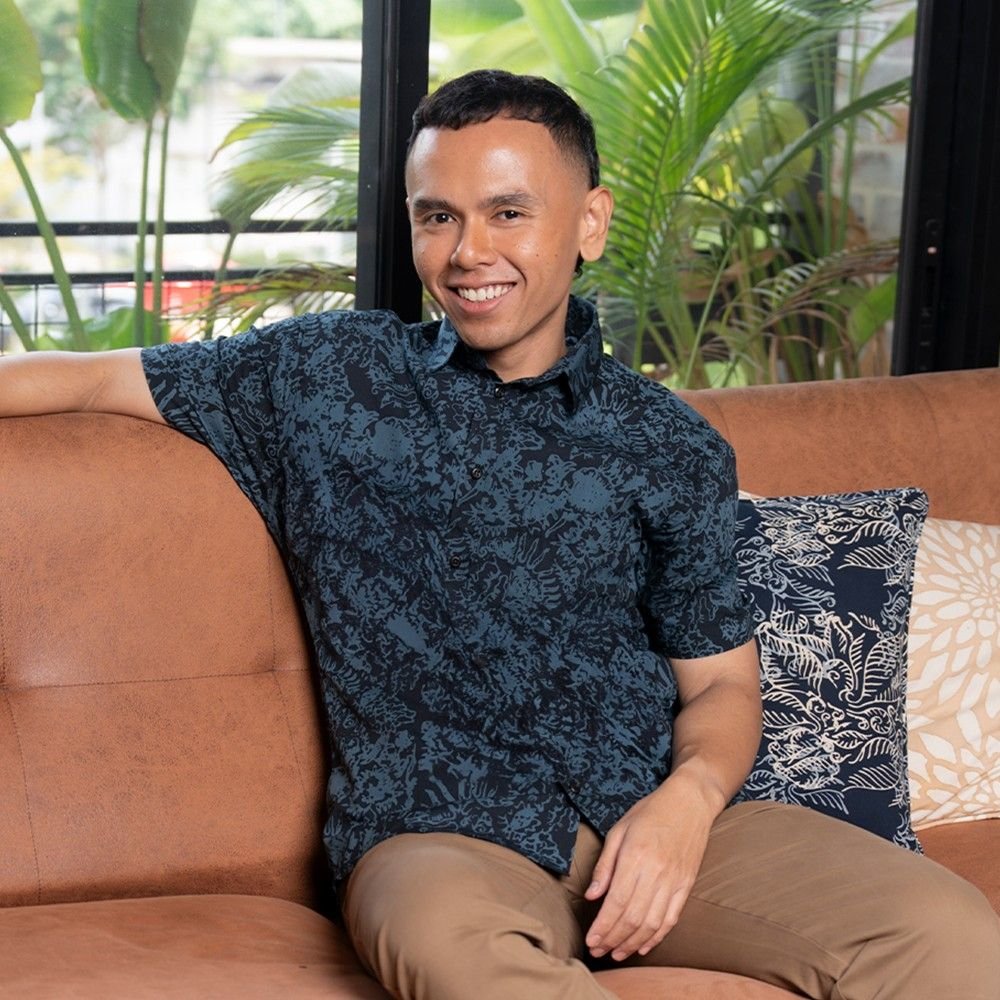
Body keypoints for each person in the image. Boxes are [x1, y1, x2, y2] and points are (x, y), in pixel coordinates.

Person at [1, 69, 997, 1000]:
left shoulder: (667, 443)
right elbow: (91, 378)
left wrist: (682, 809)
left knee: (946, 931)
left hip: (654, 822)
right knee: (456, 958)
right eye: (439, 216)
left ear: (589, 223)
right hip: (436, 838)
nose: (469, 251)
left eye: (508, 212)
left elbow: (724, 684)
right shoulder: (321, 378)